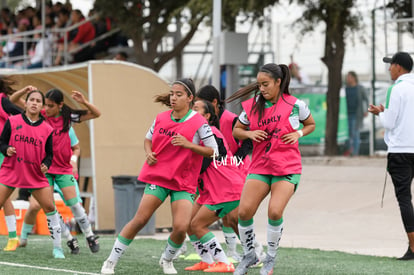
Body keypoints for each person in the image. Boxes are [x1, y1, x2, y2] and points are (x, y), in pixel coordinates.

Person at [100, 78, 218, 275]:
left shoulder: (199, 122)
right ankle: (110, 262)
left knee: (181, 228)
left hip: (184, 182)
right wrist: (149, 152)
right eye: (172, 93)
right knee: (140, 219)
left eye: (179, 95)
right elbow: (147, 140)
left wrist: (188, 145)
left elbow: (214, 151)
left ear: (190, 98)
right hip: (158, 178)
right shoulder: (161, 117)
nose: (173, 98)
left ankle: (167, 260)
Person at [227, 63, 315, 275]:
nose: (262, 89)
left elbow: (310, 124)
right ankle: (250, 255)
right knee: (243, 212)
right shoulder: (253, 106)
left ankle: (270, 259)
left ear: (278, 82)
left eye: (265, 84)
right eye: (259, 85)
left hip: (287, 168)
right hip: (260, 166)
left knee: (275, 211)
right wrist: (249, 134)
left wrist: (298, 134)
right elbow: (237, 131)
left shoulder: (296, 105)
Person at [12, 88, 101, 253]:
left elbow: (96, 114)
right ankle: (68, 239)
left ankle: (89, 236)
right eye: (44, 104)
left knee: (74, 205)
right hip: (44, 169)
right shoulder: (41, 116)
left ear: (60, 105)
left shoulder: (69, 119)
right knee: (45, 208)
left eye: (50, 106)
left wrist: (83, 102)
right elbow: (15, 99)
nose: (46, 108)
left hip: (64, 170)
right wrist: (26, 90)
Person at [196, 85, 263, 261]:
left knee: (234, 217)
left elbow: (247, 141)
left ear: (213, 104)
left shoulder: (231, 119)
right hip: (221, 171)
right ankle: (234, 252)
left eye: (200, 105)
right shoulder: (206, 124)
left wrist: (235, 159)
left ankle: (255, 250)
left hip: (236, 169)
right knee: (229, 217)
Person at [0, 90, 64, 259]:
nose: (35, 103)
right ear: (26, 103)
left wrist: (46, 164)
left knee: (50, 208)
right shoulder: (12, 121)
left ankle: (58, 248)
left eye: (38, 101)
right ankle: (14, 238)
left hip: (34, 174)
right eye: (32, 100)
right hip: (11, 170)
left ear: (42, 106)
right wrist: (6, 149)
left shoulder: (47, 129)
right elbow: (1, 142)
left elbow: (49, 154)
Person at [184, 100, 242, 272]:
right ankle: (207, 261)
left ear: (207, 116)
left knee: (199, 225)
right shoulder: (196, 135)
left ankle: (225, 262)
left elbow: (210, 157)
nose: (192, 112)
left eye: (196, 109)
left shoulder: (211, 132)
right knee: (188, 223)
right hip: (211, 191)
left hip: (226, 189)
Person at [368, 51, 414, 260]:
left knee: (405, 199)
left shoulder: (396, 89)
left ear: (398, 67)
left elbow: (389, 123)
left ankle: (413, 247)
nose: (389, 69)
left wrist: (380, 113)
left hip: (400, 152)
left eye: (391, 65)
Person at [0, 77, 37, 251]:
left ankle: (14, 237)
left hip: (3, 153)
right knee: (5, 197)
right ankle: (13, 237)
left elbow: (21, 116)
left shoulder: (2, 101)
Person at [344, 71, 368, 156]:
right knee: (348, 134)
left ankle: (355, 153)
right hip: (346, 114)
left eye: (349, 77)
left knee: (355, 134)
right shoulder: (345, 89)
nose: (348, 79)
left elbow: (366, 99)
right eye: (347, 77)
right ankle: (349, 151)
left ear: (354, 78)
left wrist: (366, 110)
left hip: (356, 114)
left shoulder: (360, 88)